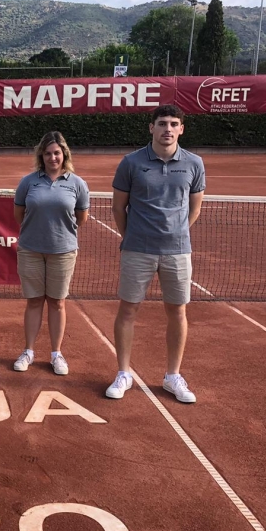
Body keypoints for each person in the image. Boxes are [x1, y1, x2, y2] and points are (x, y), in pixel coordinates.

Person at [106, 104, 206, 403]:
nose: (168, 129)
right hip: (137, 249)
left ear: (182, 129)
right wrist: (133, 236)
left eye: (174, 123)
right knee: (128, 310)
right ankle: (123, 373)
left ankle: (172, 376)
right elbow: (117, 207)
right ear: (151, 127)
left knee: (177, 311)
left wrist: (176, 233)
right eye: (162, 123)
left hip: (177, 251)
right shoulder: (131, 162)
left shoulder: (194, 163)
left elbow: (195, 207)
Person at [12, 132, 90, 376]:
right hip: (30, 250)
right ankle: (29, 352)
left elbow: (81, 217)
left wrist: (59, 234)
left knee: (57, 303)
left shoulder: (77, 183)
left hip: (63, 251)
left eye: (57, 152)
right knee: (34, 301)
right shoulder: (28, 182)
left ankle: (56, 353)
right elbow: (19, 213)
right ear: (41, 156)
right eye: (47, 153)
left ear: (64, 154)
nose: (52, 157)